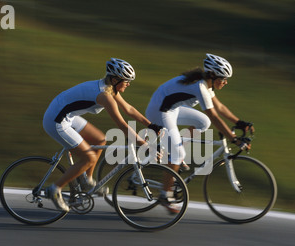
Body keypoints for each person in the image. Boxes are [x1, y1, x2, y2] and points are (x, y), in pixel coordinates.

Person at [43, 58, 161, 212]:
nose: (128, 84)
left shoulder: (110, 89)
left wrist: (151, 125)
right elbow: (122, 125)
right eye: (126, 80)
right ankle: (55, 189)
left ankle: (87, 181)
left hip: (67, 115)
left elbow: (129, 109)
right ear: (115, 79)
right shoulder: (104, 96)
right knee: (89, 157)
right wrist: (144, 145)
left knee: (100, 139)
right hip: (56, 121)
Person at [145, 53, 254, 212]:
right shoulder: (200, 87)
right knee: (178, 153)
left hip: (172, 109)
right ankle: (165, 195)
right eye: (223, 78)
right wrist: (234, 139)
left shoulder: (206, 85)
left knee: (203, 122)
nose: (225, 82)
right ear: (212, 74)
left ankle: (175, 148)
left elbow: (219, 107)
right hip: (160, 111)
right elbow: (215, 116)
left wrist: (238, 122)